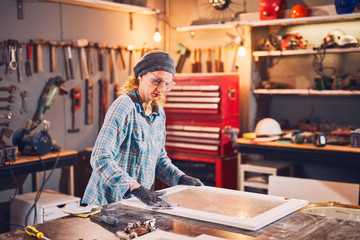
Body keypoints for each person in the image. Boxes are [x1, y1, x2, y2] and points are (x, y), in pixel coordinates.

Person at [82, 50, 203, 207]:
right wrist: (135, 188)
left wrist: (180, 178)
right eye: (156, 81)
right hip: (104, 205)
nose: (161, 88)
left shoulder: (159, 114)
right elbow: (100, 157)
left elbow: (159, 160)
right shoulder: (125, 106)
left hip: (133, 205)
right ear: (140, 77)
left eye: (167, 84)